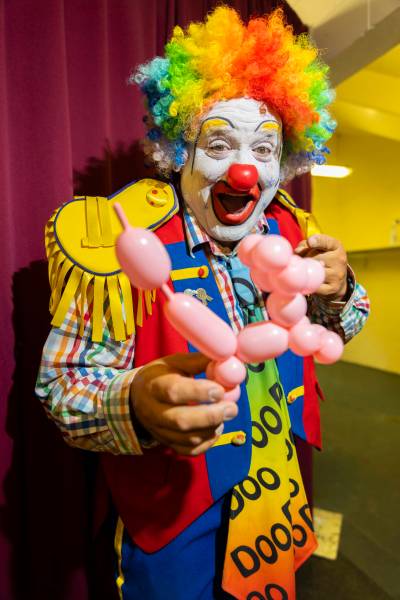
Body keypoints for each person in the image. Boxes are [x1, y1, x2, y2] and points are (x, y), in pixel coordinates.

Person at [36, 7, 370, 600]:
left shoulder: (296, 233)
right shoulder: (122, 243)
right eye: (220, 143)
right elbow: (61, 386)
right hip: (171, 521)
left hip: (276, 499)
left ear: (283, 162)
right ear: (177, 150)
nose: (244, 168)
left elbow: (342, 328)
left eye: (264, 149)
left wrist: (342, 291)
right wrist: (134, 401)